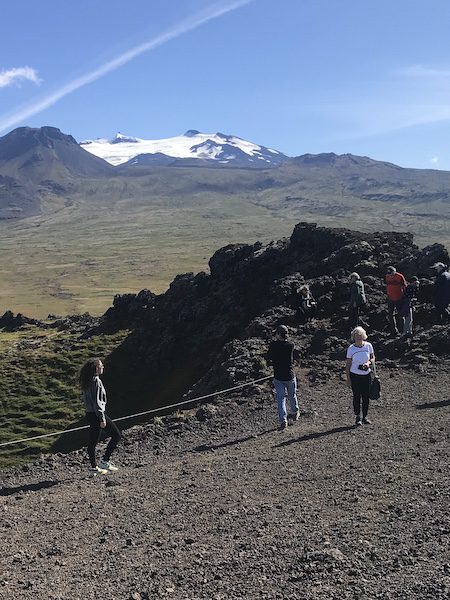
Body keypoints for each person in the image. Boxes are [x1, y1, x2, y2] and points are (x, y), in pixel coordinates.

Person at [80, 358, 121, 475]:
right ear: (96, 368)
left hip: (90, 414)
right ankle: (103, 462)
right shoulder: (96, 381)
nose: (103, 367)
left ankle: (95, 467)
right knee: (116, 435)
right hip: (96, 414)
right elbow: (98, 402)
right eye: (101, 366)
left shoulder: (87, 381)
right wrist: (102, 417)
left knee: (93, 441)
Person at [266, 325, 299, 430]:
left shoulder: (273, 346)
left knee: (281, 399)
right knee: (292, 395)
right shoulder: (290, 345)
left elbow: (268, 358)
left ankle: (283, 420)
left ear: (279, 334)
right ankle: (295, 412)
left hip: (278, 376)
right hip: (289, 375)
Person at [345, 326, 375, 426]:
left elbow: (372, 357)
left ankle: (365, 416)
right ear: (354, 337)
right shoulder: (351, 349)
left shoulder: (368, 346)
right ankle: (357, 416)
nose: (359, 337)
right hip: (355, 376)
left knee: (366, 396)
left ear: (363, 336)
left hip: (366, 375)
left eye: (360, 335)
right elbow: (348, 364)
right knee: (356, 396)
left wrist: (368, 363)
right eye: (356, 335)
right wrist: (348, 378)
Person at [385, 266, 407, 335]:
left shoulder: (400, 276)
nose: (390, 275)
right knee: (390, 315)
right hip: (390, 298)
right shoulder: (387, 276)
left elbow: (404, 286)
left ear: (394, 272)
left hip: (399, 298)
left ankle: (403, 330)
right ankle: (394, 331)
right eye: (389, 274)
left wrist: (404, 297)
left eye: (391, 274)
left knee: (401, 315)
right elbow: (388, 285)